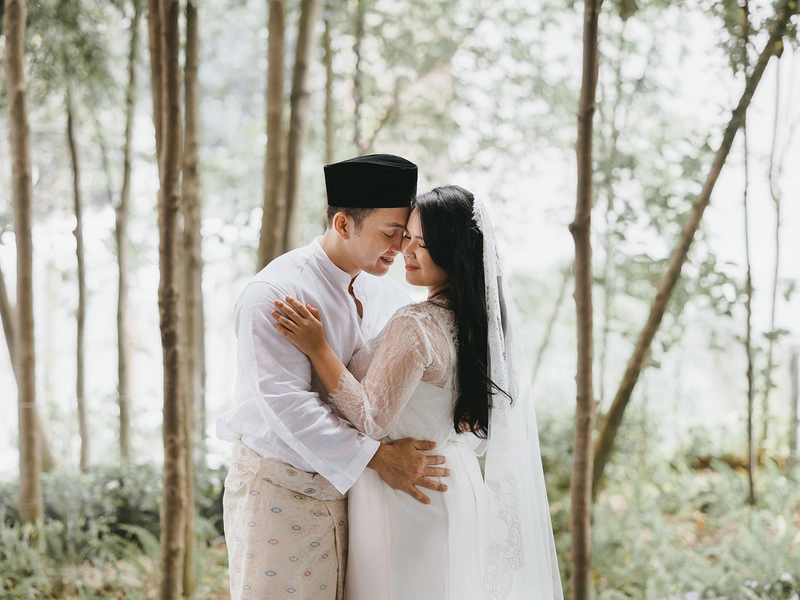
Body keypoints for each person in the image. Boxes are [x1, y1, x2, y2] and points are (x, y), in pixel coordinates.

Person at [272, 185, 564, 600]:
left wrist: (318, 348)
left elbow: (372, 417)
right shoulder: (479, 327)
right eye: (405, 236)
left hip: (404, 496)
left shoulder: (418, 324)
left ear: (454, 252)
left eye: (422, 244)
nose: (405, 250)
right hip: (455, 482)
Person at [216, 155, 450, 600]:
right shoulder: (276, 294)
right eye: (390, 233)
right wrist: (381, 458)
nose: (401, 249)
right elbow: (288, 404)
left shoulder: (384, 288)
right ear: (344, 224)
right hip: (280, 491)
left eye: (406, 235)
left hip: (359, 499)